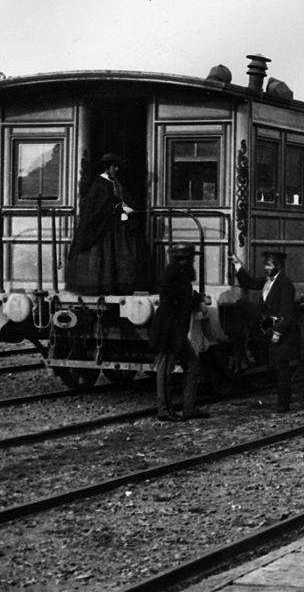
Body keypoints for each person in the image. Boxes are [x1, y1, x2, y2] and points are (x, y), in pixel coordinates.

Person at [66, 152, 149, 294]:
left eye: (117, 167)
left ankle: (123, 285)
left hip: (119, 224)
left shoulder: (116, 182)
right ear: (107, 168)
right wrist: (112, 209)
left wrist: (128, 211)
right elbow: (96, 207)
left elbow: (123, 201)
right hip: (104, 228)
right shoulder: (99, 184)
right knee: (105, 256)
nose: (116, 170)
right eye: (114, 167)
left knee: (129, 250)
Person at [148, 243, 210, 421]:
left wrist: (197, 299)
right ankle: (164, 411)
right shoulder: (175, 273)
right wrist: (195, 301)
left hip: (175, 330)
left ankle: (189, 408)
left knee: (192, 364)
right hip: (169, 330)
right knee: (165, 369)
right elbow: (177, 300)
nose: (193, 261)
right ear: (186, 259)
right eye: (191, 258)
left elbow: (183, 298)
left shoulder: (177, 273)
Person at [230, 250, 297, 412]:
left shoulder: (285, 284)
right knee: (242, 304)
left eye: (269, 265)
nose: (266, 268)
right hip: (268, 324)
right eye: (266, 265)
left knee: (282, 366)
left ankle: (284, 403)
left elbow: (287, 313)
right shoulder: (267, 281)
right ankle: (243, 349)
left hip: (280, 328)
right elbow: (250, 283)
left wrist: (278, 333)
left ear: (278, 266)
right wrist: (238, 266)